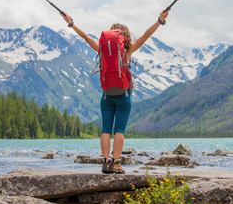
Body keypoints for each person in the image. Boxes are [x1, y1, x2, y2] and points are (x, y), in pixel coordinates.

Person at [61, 10, 170, 174]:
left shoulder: (101, 49)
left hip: (106, 96)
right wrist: (160, 20)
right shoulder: (128, 51)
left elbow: (85, 37)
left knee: (105, 129)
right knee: (120, 129)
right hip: (123, 95)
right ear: (124, 37)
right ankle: (116, 163)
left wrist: (71, 23)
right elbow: (146, 35)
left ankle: (105, 163)